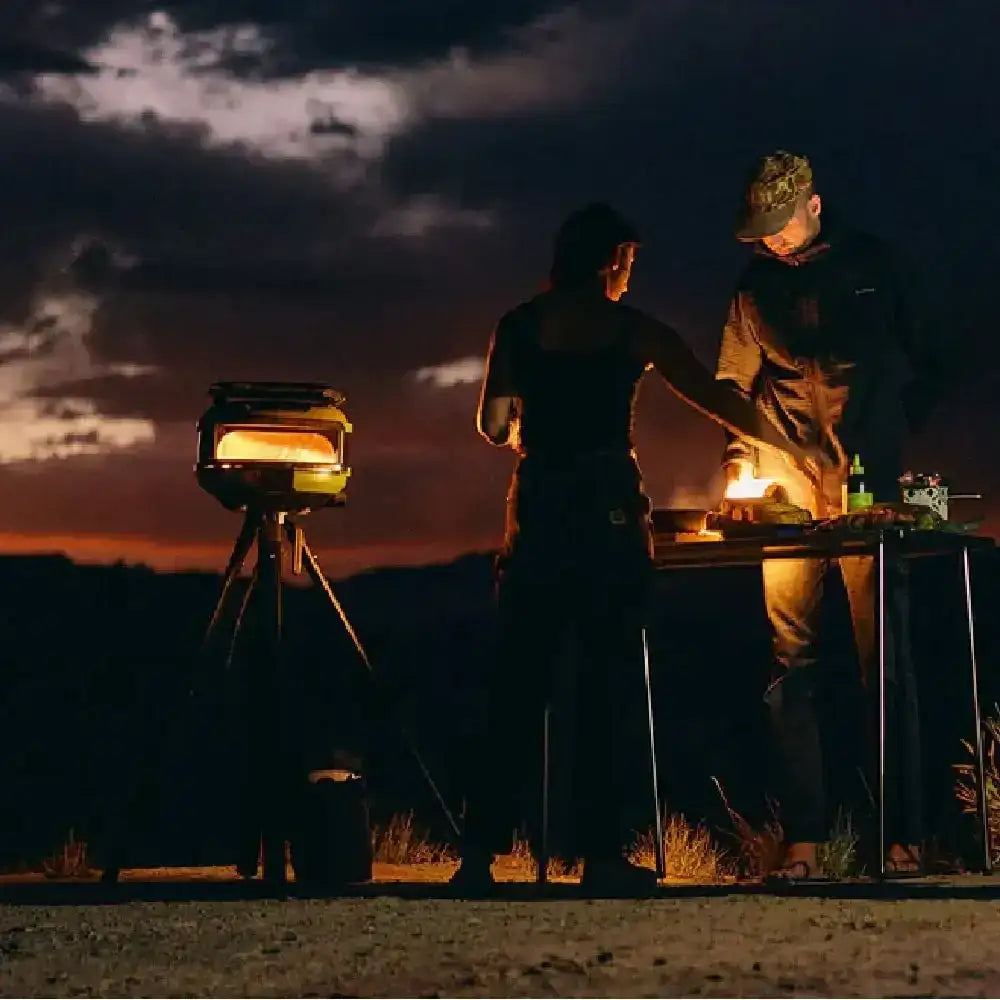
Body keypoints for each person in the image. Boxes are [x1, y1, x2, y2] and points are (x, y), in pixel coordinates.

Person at [450, 202, 819, 895]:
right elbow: (711, 394)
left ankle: (478, 856)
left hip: (538, 510)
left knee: (518, 686)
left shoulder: (519, 325)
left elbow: (493, 424)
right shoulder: (631, 329)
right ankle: (601, 857)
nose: (629, 275)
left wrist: (523, 418)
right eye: (628, 262)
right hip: (607, 513)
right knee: (605, 683)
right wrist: (786, 441)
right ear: (611, 260)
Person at [715, 150, 952, 879]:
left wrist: (890, 431)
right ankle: (805, 844)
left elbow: (934, 350)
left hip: (863, 493)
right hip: (785, 491)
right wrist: (739, 465)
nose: (773, 241)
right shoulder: (755, 290)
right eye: (761, 231)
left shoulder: (877, 267)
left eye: (780, 226)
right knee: (792, 666)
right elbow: (730, 383)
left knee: (885, 660)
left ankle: (903, 838)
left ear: (813, 206)